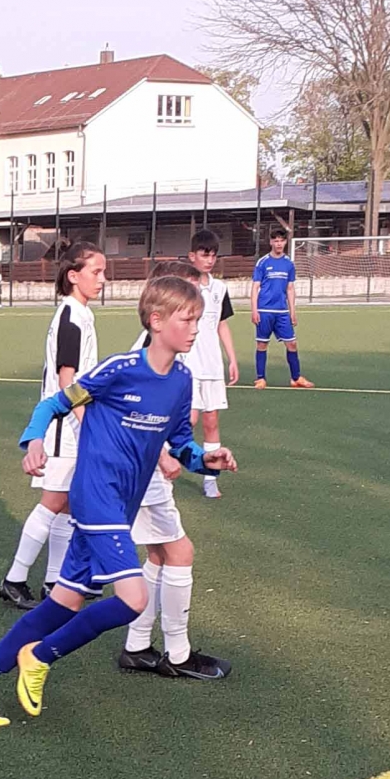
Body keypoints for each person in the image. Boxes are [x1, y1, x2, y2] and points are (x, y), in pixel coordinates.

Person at [0, 272, 237, 726]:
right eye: (187, 319)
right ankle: (39, 657)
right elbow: (54, 403)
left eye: (198, 319)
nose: (195, 328)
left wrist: (207, 459)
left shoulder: (182, 381)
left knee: (64, 602)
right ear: (156, 320)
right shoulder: (119, 370)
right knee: (133, 598)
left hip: (123, 503)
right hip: (95, 496)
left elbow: (181, 444)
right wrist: (34, 440)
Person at [115, 260, 231, 682]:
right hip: (140, 474)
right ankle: (178, 654)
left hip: (140, 471)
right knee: (180, 552)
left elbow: (173, 424)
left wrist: (195, 457)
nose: (194, 321)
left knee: (159, 554)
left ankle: (136, 646)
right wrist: (161, 454)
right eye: (187, 308)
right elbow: (121, 415)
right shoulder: (141, 360)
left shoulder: (169, 359)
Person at [0, 240, 102, 610]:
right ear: (73, 276)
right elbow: (66, 380)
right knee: (53, 501)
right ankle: (14, 579)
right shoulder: (71, 317)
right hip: (63, 425)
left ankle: (55, 582)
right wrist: (88, 423)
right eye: (96, 272)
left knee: (68, 504)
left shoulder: (80, 314)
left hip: (71, 422)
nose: (102, 279)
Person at [186, 230, 239, 497]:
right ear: (192, 256)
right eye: (204, 255)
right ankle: (161, 469)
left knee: (211, 422)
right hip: (188, 365)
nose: (209, 260)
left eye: (213, 255)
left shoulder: (219, 289)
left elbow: (221, 324)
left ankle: (210, 478)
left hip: (212, 366)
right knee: (188, 420)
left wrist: (232, 358)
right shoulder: (184, 287)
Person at [251, 228, 312, 387]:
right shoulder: (263, 262)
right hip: (264, 310)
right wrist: (254, 310)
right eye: (275, 240)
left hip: (282, 311)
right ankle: (261, 378)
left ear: (285, 242)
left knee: (292, 343)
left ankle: (296, 378)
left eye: (281, 241)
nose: (278, 244)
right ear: (271, 242)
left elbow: (290, 289)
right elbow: (255, 287)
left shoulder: (289, 264)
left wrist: (293, 311)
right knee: (262, 344)